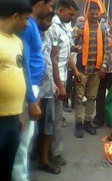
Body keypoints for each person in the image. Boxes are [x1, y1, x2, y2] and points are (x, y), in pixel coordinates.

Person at [12, 0, 55, 181]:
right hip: (27, 87)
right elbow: (24, 65)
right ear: (40, 4)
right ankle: (19, 176)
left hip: (34, 85)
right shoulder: (26, 26)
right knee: (23, 138)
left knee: (29, 135)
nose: (51, 10)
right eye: (51, 5)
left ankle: (21, 173)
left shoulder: (32, 25)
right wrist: (31, 99)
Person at [0, 0, 32, 181]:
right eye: (26, 19)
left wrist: (20, 112)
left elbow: (18, 76)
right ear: (15, 17)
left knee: (8, 165)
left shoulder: (17, 42)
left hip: (12, 119)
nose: (27, 24)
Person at [46, 0, 78, 166]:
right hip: (54, 81)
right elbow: (54, 58)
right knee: (55, 119)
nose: (72, 17)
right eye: (70, 14)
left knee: (56, 118)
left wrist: (75, 69)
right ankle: (53, 154)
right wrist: (60, 86)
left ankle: (51, 152)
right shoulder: (53, 27)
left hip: (62, 77)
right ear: (60, 10)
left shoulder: (65, 27)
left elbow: (66, 53)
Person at [71, 2, 105, 138]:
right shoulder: (79, 27)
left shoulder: (102, 29)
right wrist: (78, 35)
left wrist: (103, 66)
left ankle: (87, 121)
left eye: (97, 14)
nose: (95, 16)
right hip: (81, 68)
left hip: (96, 70)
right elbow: (70, 44)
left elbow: (106, 49)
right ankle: (78, 123)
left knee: (92, 97)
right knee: (79, 97)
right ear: (87, 13)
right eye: (92, 13)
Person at [36, 12, 61, 174]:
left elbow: (49, 61)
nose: (49, 24)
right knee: (28, 129)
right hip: (33, 90)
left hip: (48, 88)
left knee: (47, 125)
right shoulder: (29, 36)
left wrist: (53, 83)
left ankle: (44, 160)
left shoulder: (46, 35)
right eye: (46, 20)